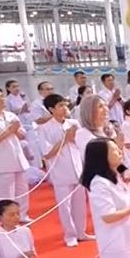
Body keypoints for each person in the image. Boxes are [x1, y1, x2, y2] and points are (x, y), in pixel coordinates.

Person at [37, 94, 90, 247]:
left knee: (80, 204)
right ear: (51, 109)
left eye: (65, 105)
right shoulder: (44, 129)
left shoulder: (74, 123)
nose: (65, 108)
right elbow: (47, 153)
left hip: (78, 169)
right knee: (65, 206)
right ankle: (70, 235)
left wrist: (74, 138)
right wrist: (65, 140)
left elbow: (83, 144)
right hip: (60, 171)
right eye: (60, 105)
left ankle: (81, 232)